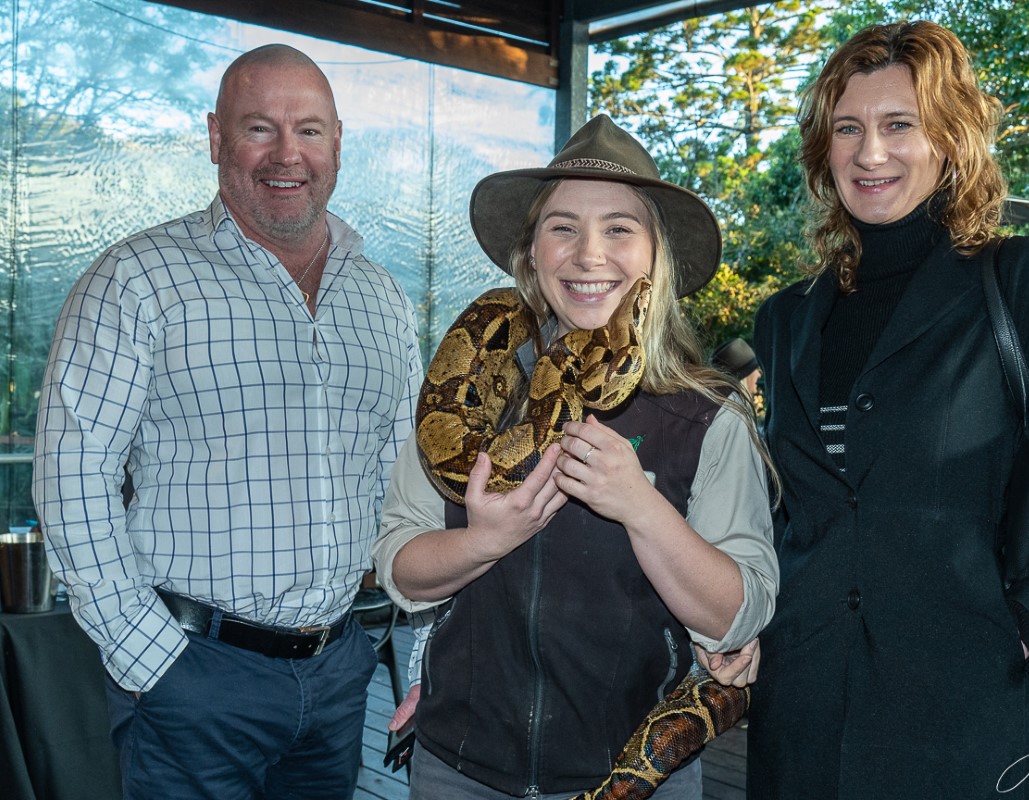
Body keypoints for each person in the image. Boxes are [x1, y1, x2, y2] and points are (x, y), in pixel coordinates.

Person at [748, 21, 1029, 799]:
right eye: (848, 128)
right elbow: (793, 510)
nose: (869, 152)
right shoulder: (785, 319)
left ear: (949, 141)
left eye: (898, 125)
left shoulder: (1027, 280)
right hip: (799, 710)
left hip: (962, 713)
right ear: (823, 149)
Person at [32, 44, 423, 800]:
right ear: (215, 138)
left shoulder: (381, 298)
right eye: (258, 129)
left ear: (338, 141)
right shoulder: (138, 279)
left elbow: (402, 479)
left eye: (308, 130)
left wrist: (401, 649)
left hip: (342, 675)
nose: (287, 154)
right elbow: (70, 475)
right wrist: (150, 661)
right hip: (192, 680)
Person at [371, 114, 778, 799]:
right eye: (562, 227)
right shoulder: (463, 400)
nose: (590, 255)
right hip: (459, 768)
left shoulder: (707, 417)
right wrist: (483, 542)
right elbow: (401, 571)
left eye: (620, 228)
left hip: (633, 773)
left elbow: (737, 617)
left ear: (657, 258)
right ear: (532, 253)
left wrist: (642, 507)